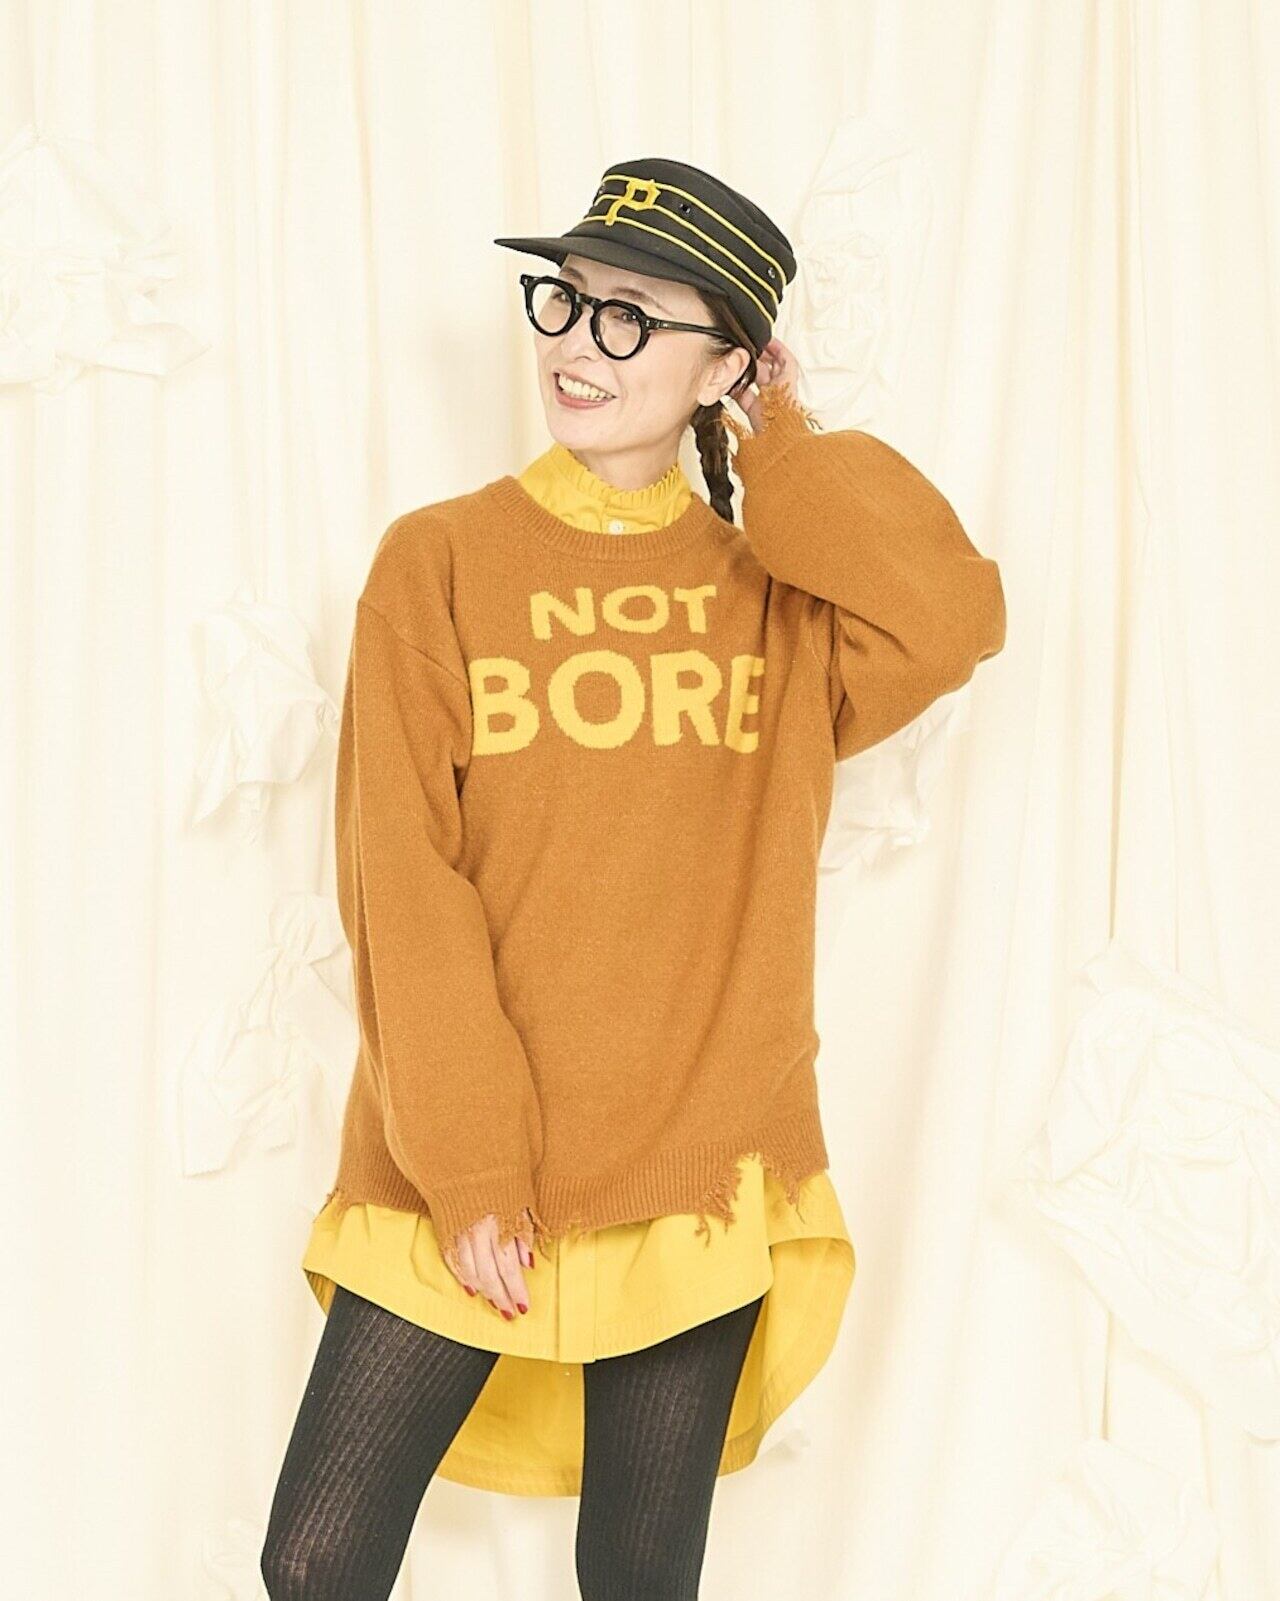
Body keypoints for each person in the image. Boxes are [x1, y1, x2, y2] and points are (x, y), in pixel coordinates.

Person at [261, 156, 1007, 1600]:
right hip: (464, 1149)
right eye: (567, 299)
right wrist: (472, 1158)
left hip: (692, 1156)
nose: (576, 345)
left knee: (637, 1577)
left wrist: (781, 443)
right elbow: (400, 876)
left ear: (726, 363)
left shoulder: (779, 601)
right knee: (317, 1560)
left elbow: (952, 614)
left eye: (632, 319)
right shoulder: (438, 562)